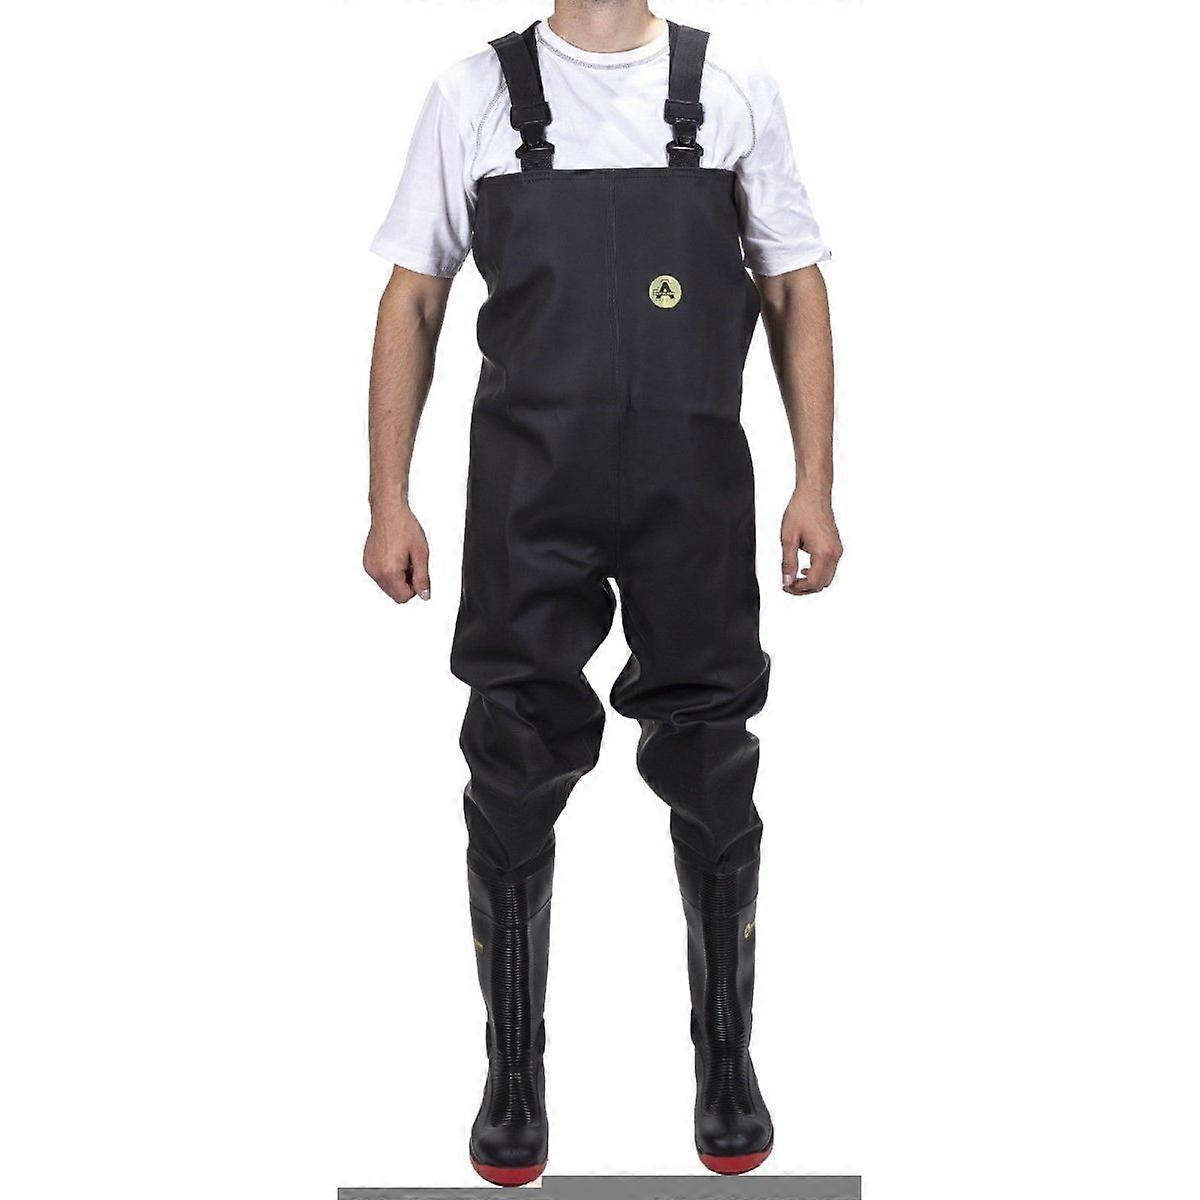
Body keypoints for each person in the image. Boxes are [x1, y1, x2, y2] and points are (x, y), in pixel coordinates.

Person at [363, 0, 842, 1186]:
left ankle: (726, 1059)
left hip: (695, 496)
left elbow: (794, 284)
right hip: (530, 502)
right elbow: (414, 295)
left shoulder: (730, 87)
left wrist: (814, 483)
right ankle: (512, 1073)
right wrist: (388, 498)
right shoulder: (473, 94)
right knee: (511, 774)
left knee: (714, 767)